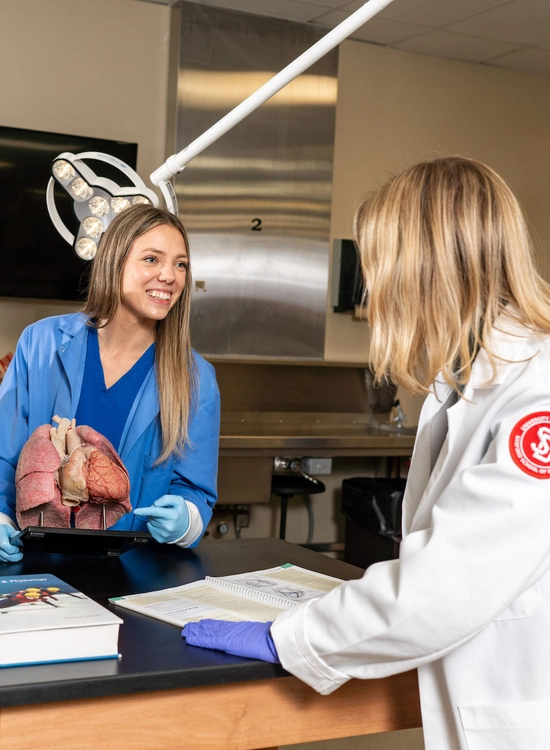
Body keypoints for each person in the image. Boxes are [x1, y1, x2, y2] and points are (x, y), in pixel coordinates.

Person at [183, 156, 550, 749]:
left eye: (379, 267)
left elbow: (445, 587)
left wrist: (291, 638)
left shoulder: (536, 397)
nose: (372, 288)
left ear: (424, 268)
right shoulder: (464, 384)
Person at [0, 204, 220, 562]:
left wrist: (187, 521)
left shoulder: (196, 379)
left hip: (134, 570)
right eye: (152, 259)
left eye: (180, 264)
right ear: (114, 261)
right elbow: (3, 456)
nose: (170, 276)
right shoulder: (39, 344)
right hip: (35, 561)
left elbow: (194, 489)